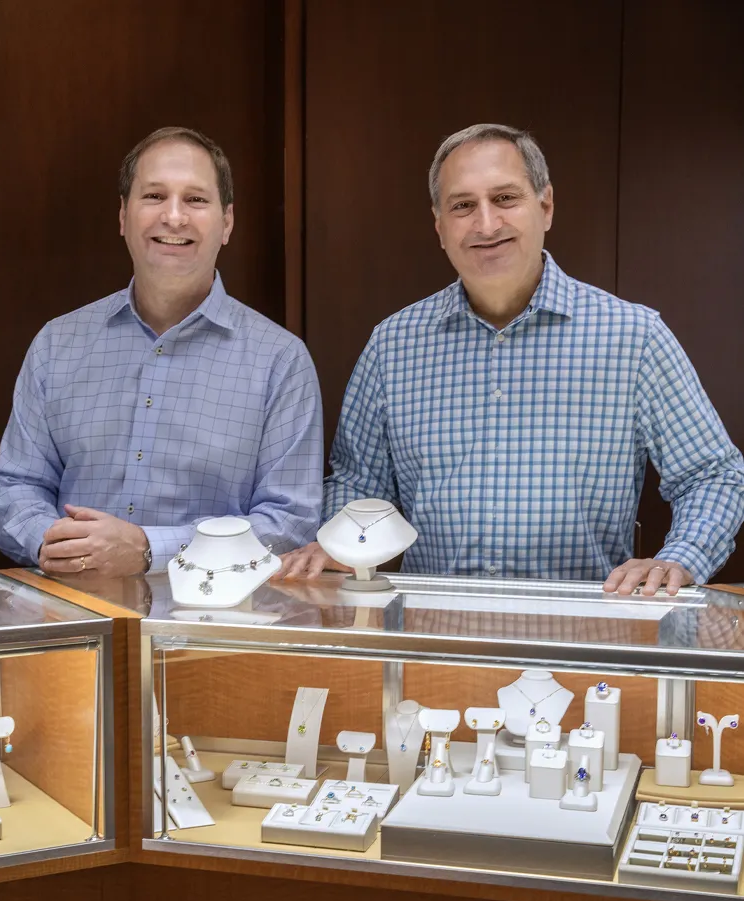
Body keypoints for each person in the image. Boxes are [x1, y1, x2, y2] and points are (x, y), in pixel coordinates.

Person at [277, 123, 744, 595]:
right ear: (440, 228)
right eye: (463, 206)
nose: (485, 224)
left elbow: (712, 475)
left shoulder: (634, 338)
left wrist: (680, 559)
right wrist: (339, 540)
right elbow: (359, 483)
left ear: (546, 207)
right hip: (435, 630)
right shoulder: (392, 345)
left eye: (505, 198)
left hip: (588, 630)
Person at [0, 127, 323, 577]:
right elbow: (15, 487)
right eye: (154, 196)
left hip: (216, 629)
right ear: (123, 216)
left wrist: (150, 549)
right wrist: (54, 541)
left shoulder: (280, 361)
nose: (174, 216)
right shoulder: (56, 344)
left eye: (196, 200)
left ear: (227, 223)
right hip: (74, 617)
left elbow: (289, 523)